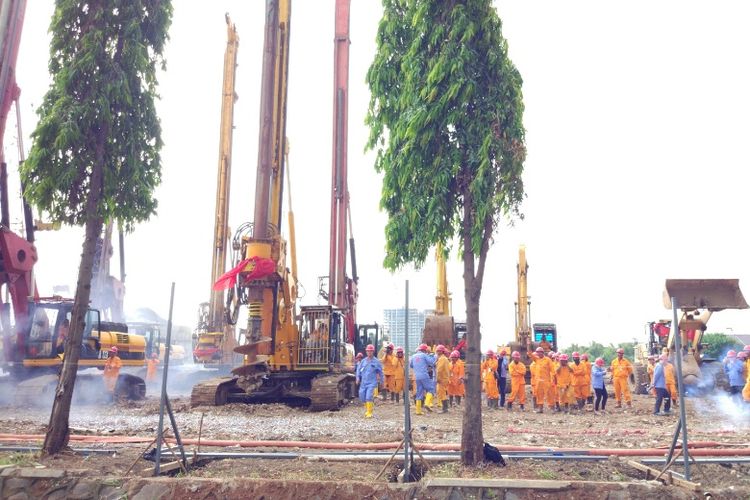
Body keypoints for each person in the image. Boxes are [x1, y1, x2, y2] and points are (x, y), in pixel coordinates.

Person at [356, 344, 383, 418]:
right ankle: (367, 408)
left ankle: (369, 412)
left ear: (373, 352)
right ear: (366, 352)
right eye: (368, 351)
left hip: (372, 382)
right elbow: (358, 370)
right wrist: (357, 378)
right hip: (363, 382)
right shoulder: (363, 361)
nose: (369, 353)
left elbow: (380, 372)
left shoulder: (376, 362)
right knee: (362, 396)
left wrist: (381, 381)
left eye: (370, 351)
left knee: (368, 396)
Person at [410, 343, 436, 415]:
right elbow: (432, 362)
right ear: (425, 350)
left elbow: (411, 365)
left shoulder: (413, 356)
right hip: (424, 375)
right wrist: (433, 356)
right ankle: (427, 403)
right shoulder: (424, 355)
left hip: (417, 376)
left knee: (419, 392)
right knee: (431, 389)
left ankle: (418, 411)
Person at [533, 348, 554, 413]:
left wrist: (553, 379)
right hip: (538, 381)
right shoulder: (536, 359)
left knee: (549, 394)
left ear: (542, 353)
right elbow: (530, 354)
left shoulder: (548, 360)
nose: (538, 354)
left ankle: (552, 408)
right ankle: (540, 409)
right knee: (539, 394)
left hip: (546, 380)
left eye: (539, 352)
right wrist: (528, 344)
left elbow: (552, 370)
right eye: (537, 352)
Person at [435, 345, 451, 413]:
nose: (437, 352)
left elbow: (439, 370)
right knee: (442, 392)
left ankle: (445, 409)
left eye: (438, 351)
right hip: (445, 378)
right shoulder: (445, 358)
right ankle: (445, 408)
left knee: (441, 393)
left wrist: (438, 378)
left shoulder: (442, 359)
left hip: (442, 379)